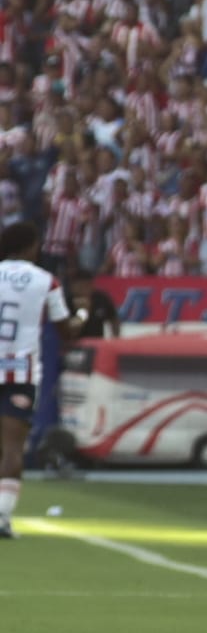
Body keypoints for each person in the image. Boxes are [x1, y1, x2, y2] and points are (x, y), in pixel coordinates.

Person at [0, 223, 79, 537]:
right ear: (30, 246)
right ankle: (2, 518)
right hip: (20, 371)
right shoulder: (47, 281)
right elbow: (66, 330)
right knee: (12, 447)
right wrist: (82, 317)